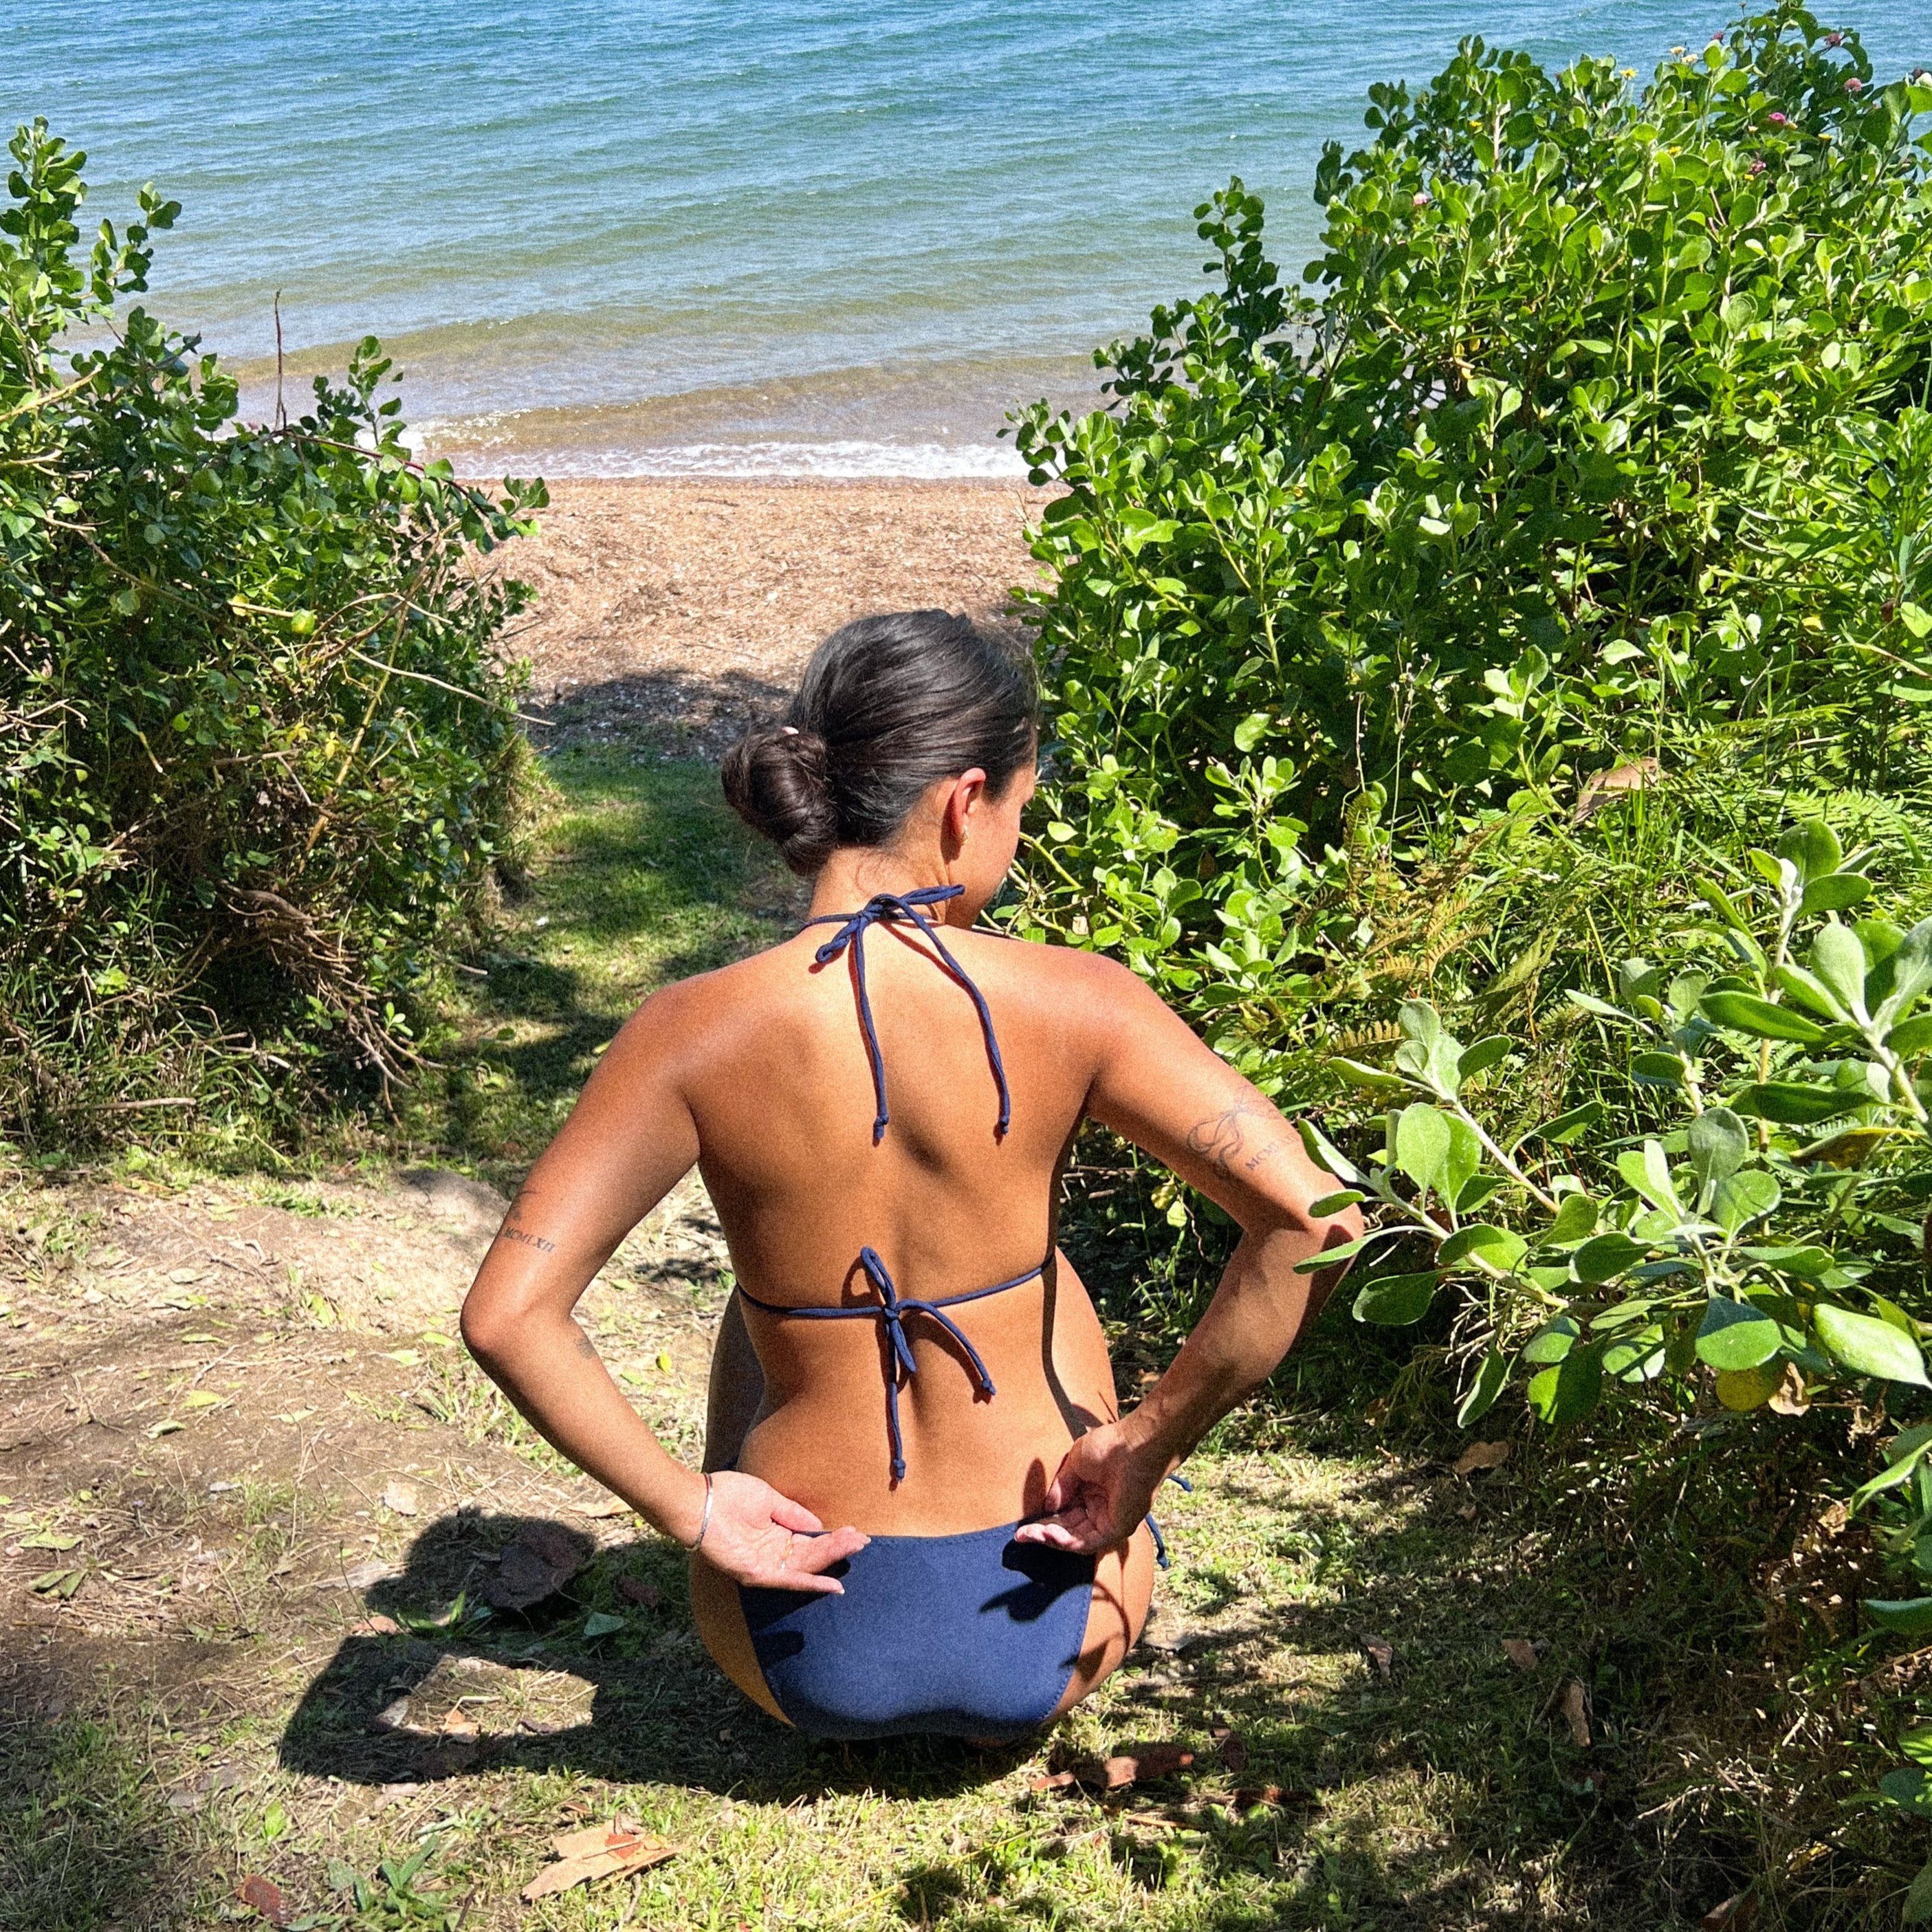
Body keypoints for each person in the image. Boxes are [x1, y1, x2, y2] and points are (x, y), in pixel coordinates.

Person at [461, 610, 1361, 1742]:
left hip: (793, 1640)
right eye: (1020, 815)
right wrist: (1145, 1441)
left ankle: (783, 1519)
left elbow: (506, 1316)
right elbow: (1316, 1219)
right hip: (1051, 1619)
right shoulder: (1078, 998)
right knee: (1036, 1269)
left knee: (767, 1303)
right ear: (961, 802)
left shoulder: (687, 1031)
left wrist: (693, 1511)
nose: (1014, 844)